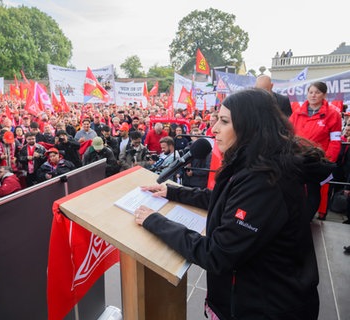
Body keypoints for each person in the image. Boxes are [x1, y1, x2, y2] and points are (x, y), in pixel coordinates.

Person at [134, 89, 326, 319]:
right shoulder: (254, 163)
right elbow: (225, 198)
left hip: (267, 308)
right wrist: (173, 193)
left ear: (251, 127)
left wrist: (154, 221)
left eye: (224, 121)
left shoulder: (265, 181)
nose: (214, 128)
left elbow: (217, 254)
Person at [290, 81, 341, 220]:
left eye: (317, 92)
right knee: (294, 188)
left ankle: (307, 219)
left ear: (324, 95)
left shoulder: (333, 114)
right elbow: (288, 134)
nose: (313, 95)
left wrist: (328, 161)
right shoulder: (297, 113)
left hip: (317, 160)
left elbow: (335, 141)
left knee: (313, 189)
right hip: (298, 158)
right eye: (311, 92)